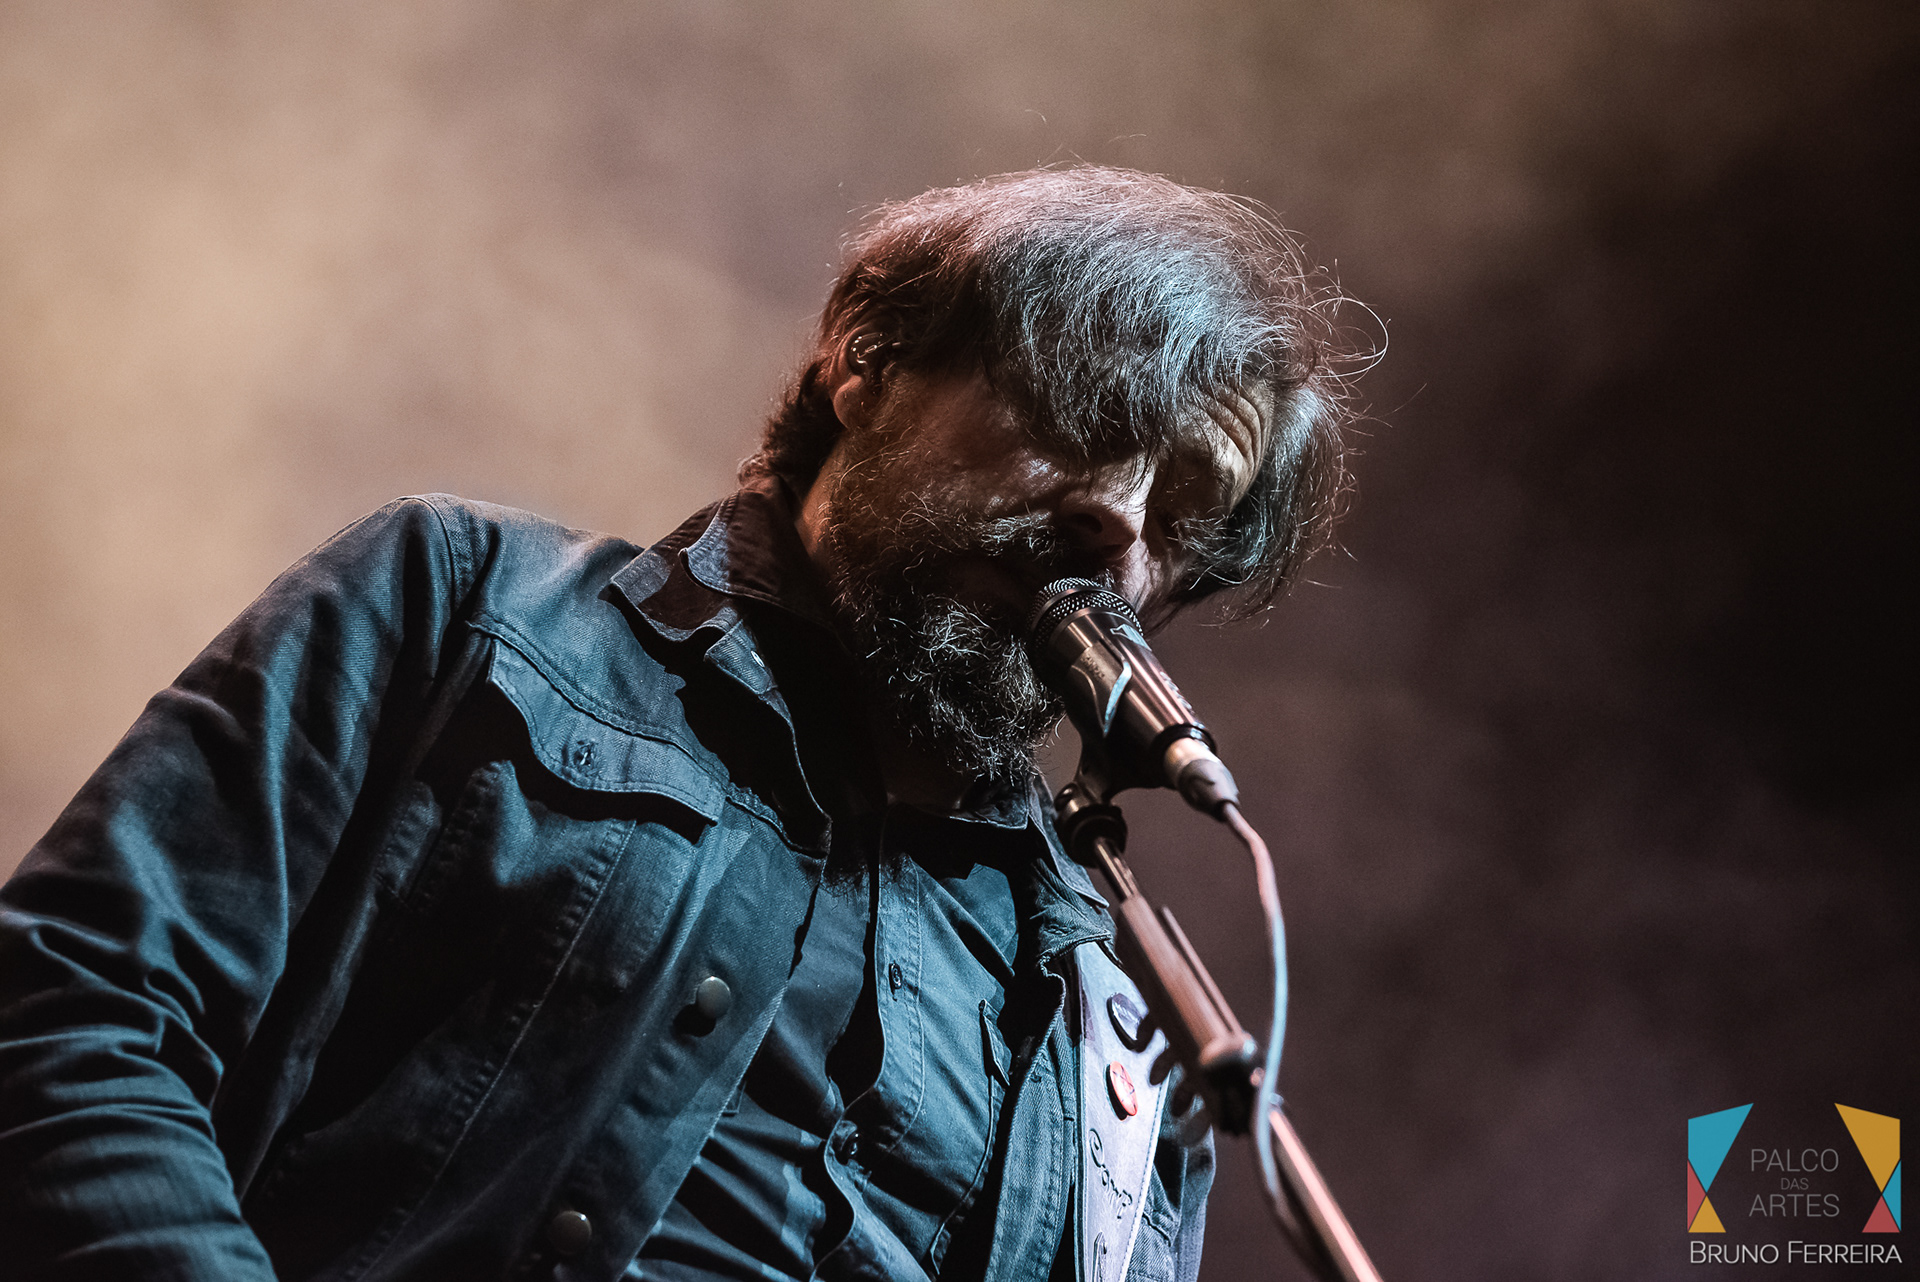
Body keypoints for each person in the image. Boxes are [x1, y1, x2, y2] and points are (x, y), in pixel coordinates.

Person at [0, 167, 1351, 1281]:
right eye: (1088, 415)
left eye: (1184, 514)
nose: (1118, 520)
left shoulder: (1117, 1032)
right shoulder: (461, 606)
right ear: (869, 361)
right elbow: (72, 1011)